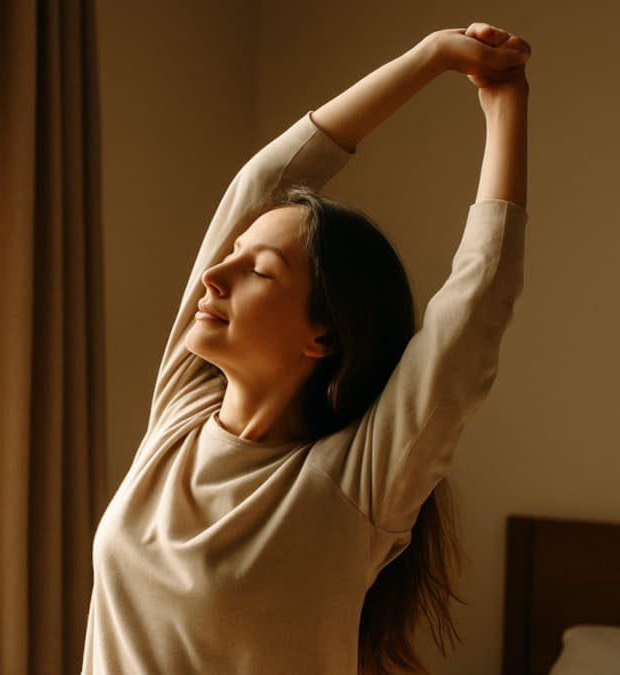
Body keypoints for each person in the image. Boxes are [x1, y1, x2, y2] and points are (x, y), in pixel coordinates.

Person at [82, 22, 532, 675]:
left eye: (258, 270)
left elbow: (477, 302)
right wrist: (427, 57)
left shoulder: (351, 487)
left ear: (322, 333)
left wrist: (506, 101)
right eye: (230, 255)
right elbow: (264, 180)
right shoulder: (180, 410)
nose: (215, 275)